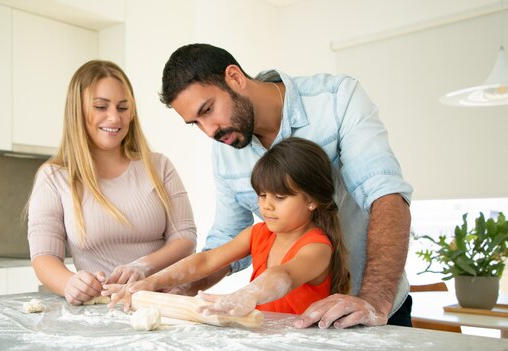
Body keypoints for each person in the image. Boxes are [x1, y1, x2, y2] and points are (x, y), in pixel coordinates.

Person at [159, 43, 413, 329]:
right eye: (195, 123)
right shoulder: (224, 146)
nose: (209, 130)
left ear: (235, 77)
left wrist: (374, 301)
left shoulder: (336, 99)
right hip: (297, 324)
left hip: (376, 306)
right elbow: (224, 242)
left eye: (208, 110)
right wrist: (186, 287)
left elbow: (386, 195)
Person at [103, 137, 350, 317]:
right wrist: (149, 282)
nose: (267, 206)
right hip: (267, 344)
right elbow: (205, 261)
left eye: (280, 197)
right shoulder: (259, 234)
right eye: (262, 195)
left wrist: (245, 295)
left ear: (312, 200)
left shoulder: (318, 248)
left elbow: (282, 276)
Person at [27, 60, 197, 305]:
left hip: (161, 303)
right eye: (100, 106)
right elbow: (44, 256)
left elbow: (185, 238)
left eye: (122, 107)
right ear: (77, 110)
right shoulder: (54, 177)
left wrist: (142, 267)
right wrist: (69, 284)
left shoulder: (159, 166)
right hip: (101, 310)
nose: (114, 117)